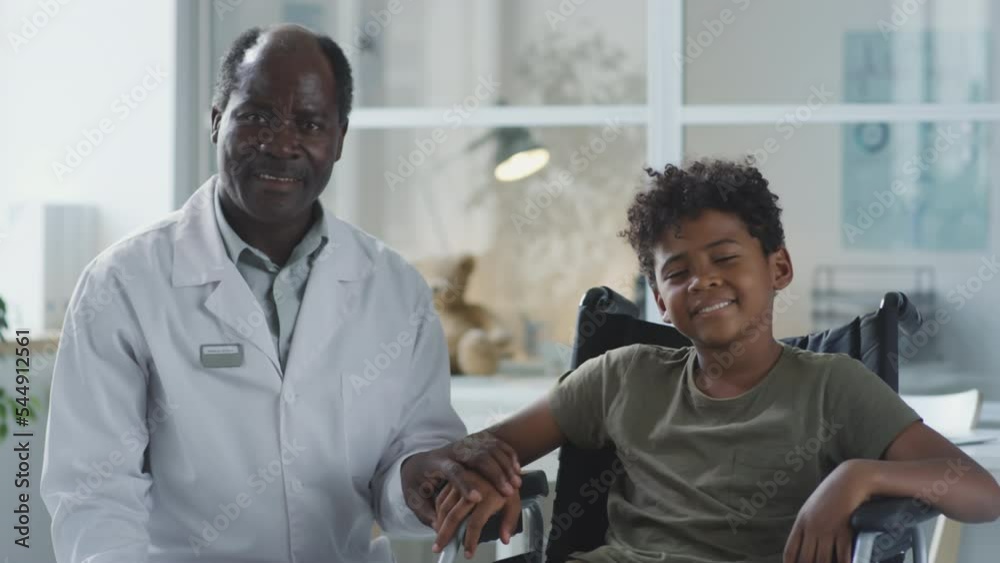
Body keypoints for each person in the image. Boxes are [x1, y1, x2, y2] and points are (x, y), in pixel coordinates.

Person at [40, 24, 519, 563]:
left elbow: (408, 467)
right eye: (257, 116)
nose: (281, 143)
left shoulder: (395, 289)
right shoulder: (121, 284)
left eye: (309, 124)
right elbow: (96, 496)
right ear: (216, 120)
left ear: (339, 138)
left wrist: (419, 479)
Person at [431, 160, 1000, 562]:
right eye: (678, 272)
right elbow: (480, 450)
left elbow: (980, 492)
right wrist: (491, 474)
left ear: (779, 269)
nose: (702, 280)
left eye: (725, 258)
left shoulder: (834, 387)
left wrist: (860, 476)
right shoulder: (622, 376)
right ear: (660, 300)